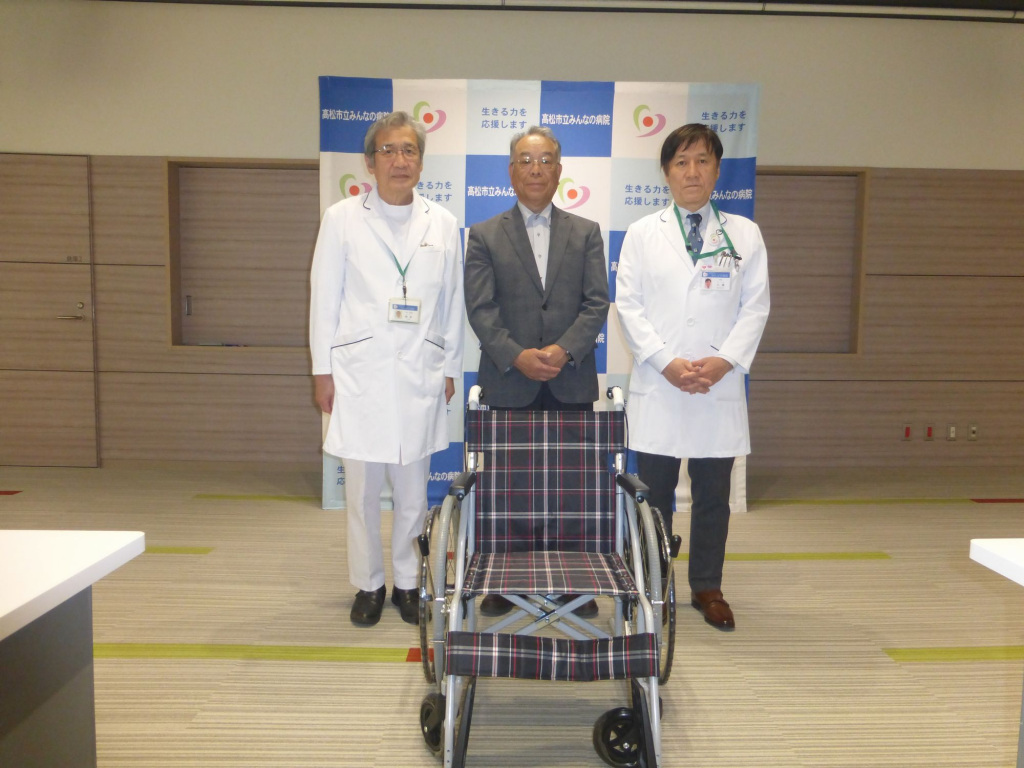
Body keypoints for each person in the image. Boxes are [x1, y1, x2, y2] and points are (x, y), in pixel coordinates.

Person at [309, 111, 464, 627]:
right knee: (361, 493)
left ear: (421, 161)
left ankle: (408, 583)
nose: (400, 160)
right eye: (389, 151)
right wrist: (322, 370)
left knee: (414, 491)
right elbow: (324, 298)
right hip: (360, 375)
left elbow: (452, 303)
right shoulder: (342, 218)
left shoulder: (442, 223)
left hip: (420, 371)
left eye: (409, 150)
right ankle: (368, 584)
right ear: (370, 162)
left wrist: (450, 367)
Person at [615, 124, 770, 631]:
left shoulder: (744, 234)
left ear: (717, 170)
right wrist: (666, 362)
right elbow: (629, 306)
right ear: (666, 172)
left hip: (716, 386)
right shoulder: (642, 233)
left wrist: (724, 361)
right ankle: (652, 583)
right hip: (660, 384)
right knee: (653, 496)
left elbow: (756, 307)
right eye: (681, 162)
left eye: (702, 161)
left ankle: (707, 585)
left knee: (712, 497)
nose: (692, 172)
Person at [464, 125, 610, 617]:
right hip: (509, 379)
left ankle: (573, 584)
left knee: (572, 487)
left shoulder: (586, 232)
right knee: (508, 487)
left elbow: (596, 303)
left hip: (571, 380)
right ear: (511, 171)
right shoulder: (484, 234)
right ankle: (505, 582)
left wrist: (565, 350)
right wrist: (517, 355)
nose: (535, 169)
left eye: (545, 160)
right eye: (526, 160)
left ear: (559, 171)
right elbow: (480, 308)